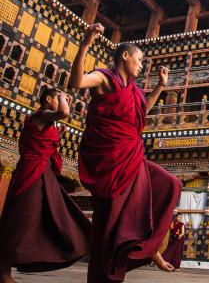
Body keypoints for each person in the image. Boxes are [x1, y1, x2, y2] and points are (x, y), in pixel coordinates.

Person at [70, 23, 182, 282]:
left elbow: (142, 113)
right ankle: (104, 275)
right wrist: (86, 44)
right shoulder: (104, 78)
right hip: (110, 161)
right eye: (140, 59)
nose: (142, 65)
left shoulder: (133, 90)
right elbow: (77, 82)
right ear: (125, 56)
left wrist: (160, 87)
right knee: (108, 224)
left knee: (171, 184)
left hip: (131, 157)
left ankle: (148, 249)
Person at [0, 89, 91, 283]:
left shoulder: (46, 122)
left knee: (42, 217)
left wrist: (56, 133)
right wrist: (63, 100)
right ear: (48, 99)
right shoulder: (40, 115)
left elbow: (45, 139)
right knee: (21, 219)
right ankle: (2, 272)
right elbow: (64, 113)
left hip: (41, 174)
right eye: (59, 97)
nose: (64, 100)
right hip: (31, 174)